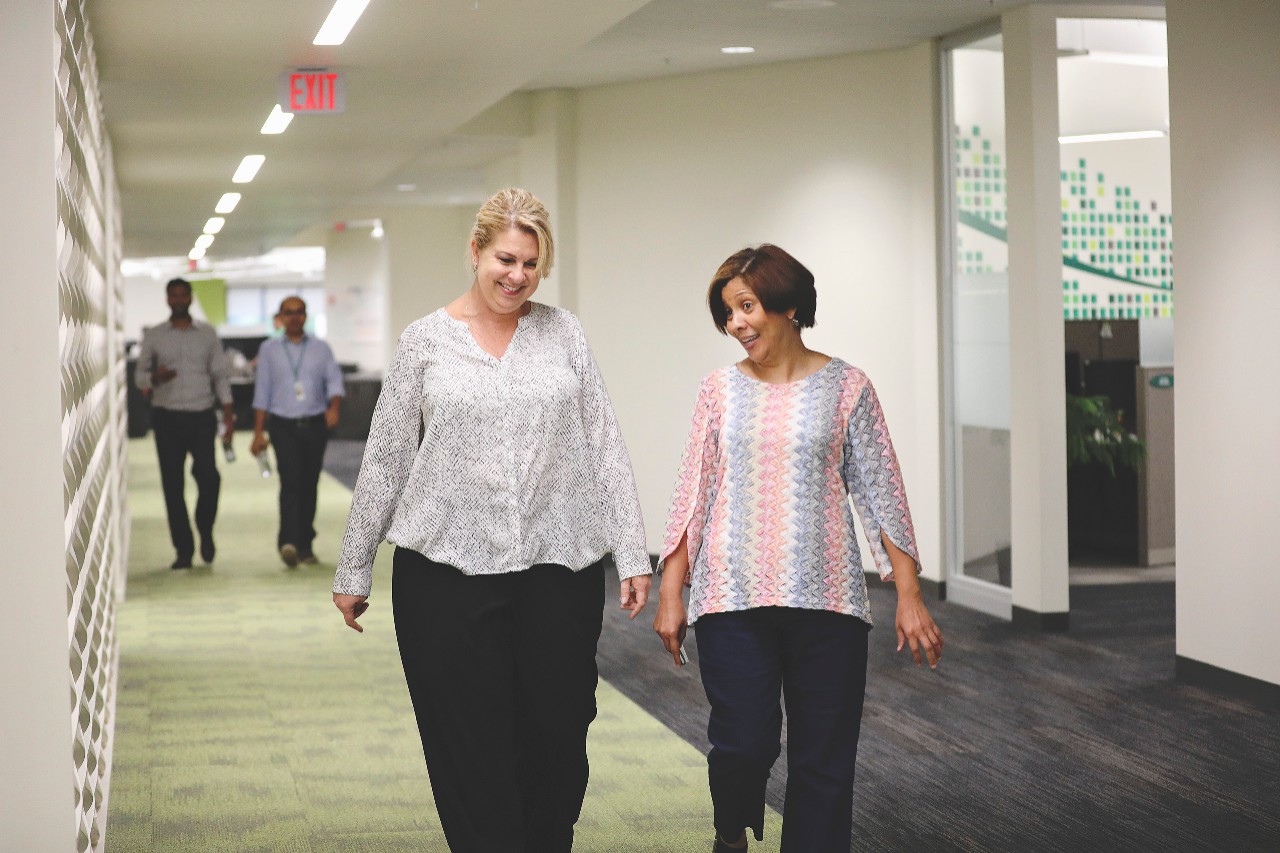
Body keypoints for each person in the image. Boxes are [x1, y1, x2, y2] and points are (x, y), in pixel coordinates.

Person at [331, 187, 652, 852]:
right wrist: (354, 562)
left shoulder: (564, 333)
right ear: (475, 251)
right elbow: (387, 458)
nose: (517, 275)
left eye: (531, 264)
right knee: (469, 738)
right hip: (446, 571)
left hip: (557, 566)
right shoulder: (425, 341)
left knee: (560, 730)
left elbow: (604, 443)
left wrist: (632, 549)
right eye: (505, 258)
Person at [652, 244, 944, 853]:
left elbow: (881, 488)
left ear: (787, 305)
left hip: (828, 600)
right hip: (731, 596)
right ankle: (731, 830)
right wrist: (671, 593)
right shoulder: (719, 392)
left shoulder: (848, 388)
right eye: (729, 312)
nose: (737, 324)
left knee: (824, 760)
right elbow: (691, 494)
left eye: (747, 306)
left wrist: (910, 593)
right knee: (744, 741)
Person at [135, 277, 236, 569]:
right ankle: (183, 549)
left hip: (201, 416)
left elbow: (220, 376)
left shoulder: (207, 334)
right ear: (167, 300)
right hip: (166, 417)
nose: (178, 300)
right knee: (172, 484)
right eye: (173, 296)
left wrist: (228, 416)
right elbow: (139, 376)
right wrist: (156, 378)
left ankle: (204, 529)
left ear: (190, 298)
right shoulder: (154, 335)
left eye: (183, 295)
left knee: (209, 477)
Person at [249, 296, 345, 566]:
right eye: (288, 313)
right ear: (280, 317)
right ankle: (288, 542)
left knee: (309, 484)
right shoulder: (268, 349)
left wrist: (334, 408)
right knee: (291, 481)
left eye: (299, 312)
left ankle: (305, 544)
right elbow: (262, 393)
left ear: (306, 316)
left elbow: (335, 382)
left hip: (314, 424)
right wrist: (259, 433)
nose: (294, 317)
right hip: (283, 425)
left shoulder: (320, 348)